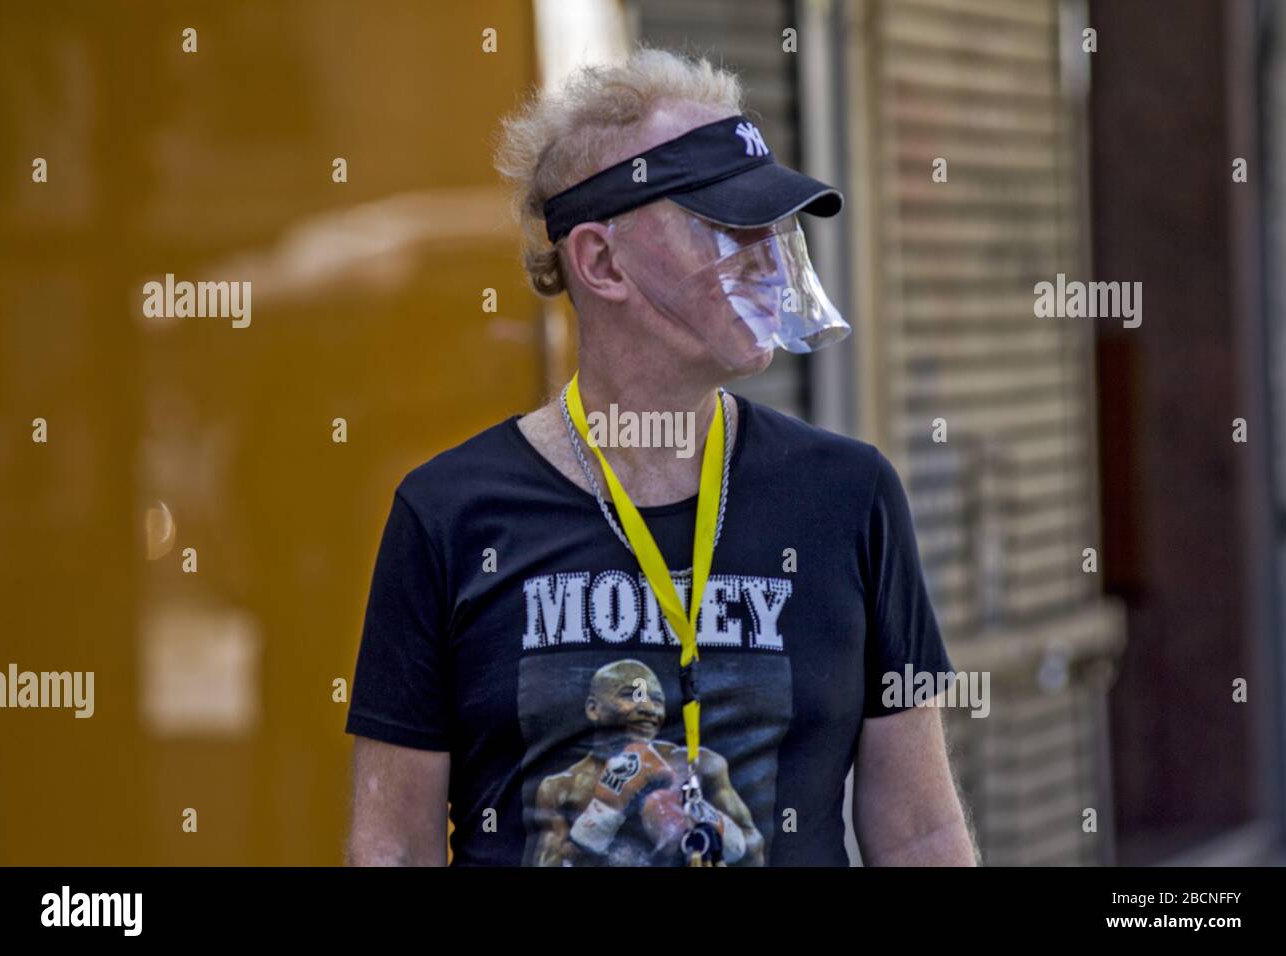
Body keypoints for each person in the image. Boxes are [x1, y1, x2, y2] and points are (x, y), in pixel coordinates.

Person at [345, 47, 978, 866]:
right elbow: (390, 847)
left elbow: (921, 832)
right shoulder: (450, 512)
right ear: (601, 262)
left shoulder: (848, 495)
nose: (765, 255)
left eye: (772, 223)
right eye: (724, 223)